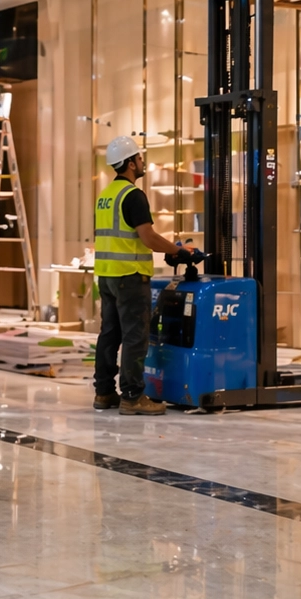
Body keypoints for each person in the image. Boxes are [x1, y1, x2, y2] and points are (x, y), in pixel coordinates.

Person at [93, 136, 183, 416]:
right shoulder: (133, 195)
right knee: (134, 337)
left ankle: (104, 392)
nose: (143, 162)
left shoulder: (106, 195)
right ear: (131, 163)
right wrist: (178, 251)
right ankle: (132, 396)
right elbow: (148, 237)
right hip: (130, 276)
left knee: (109, 334)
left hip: (107, 276)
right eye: (140, 158)